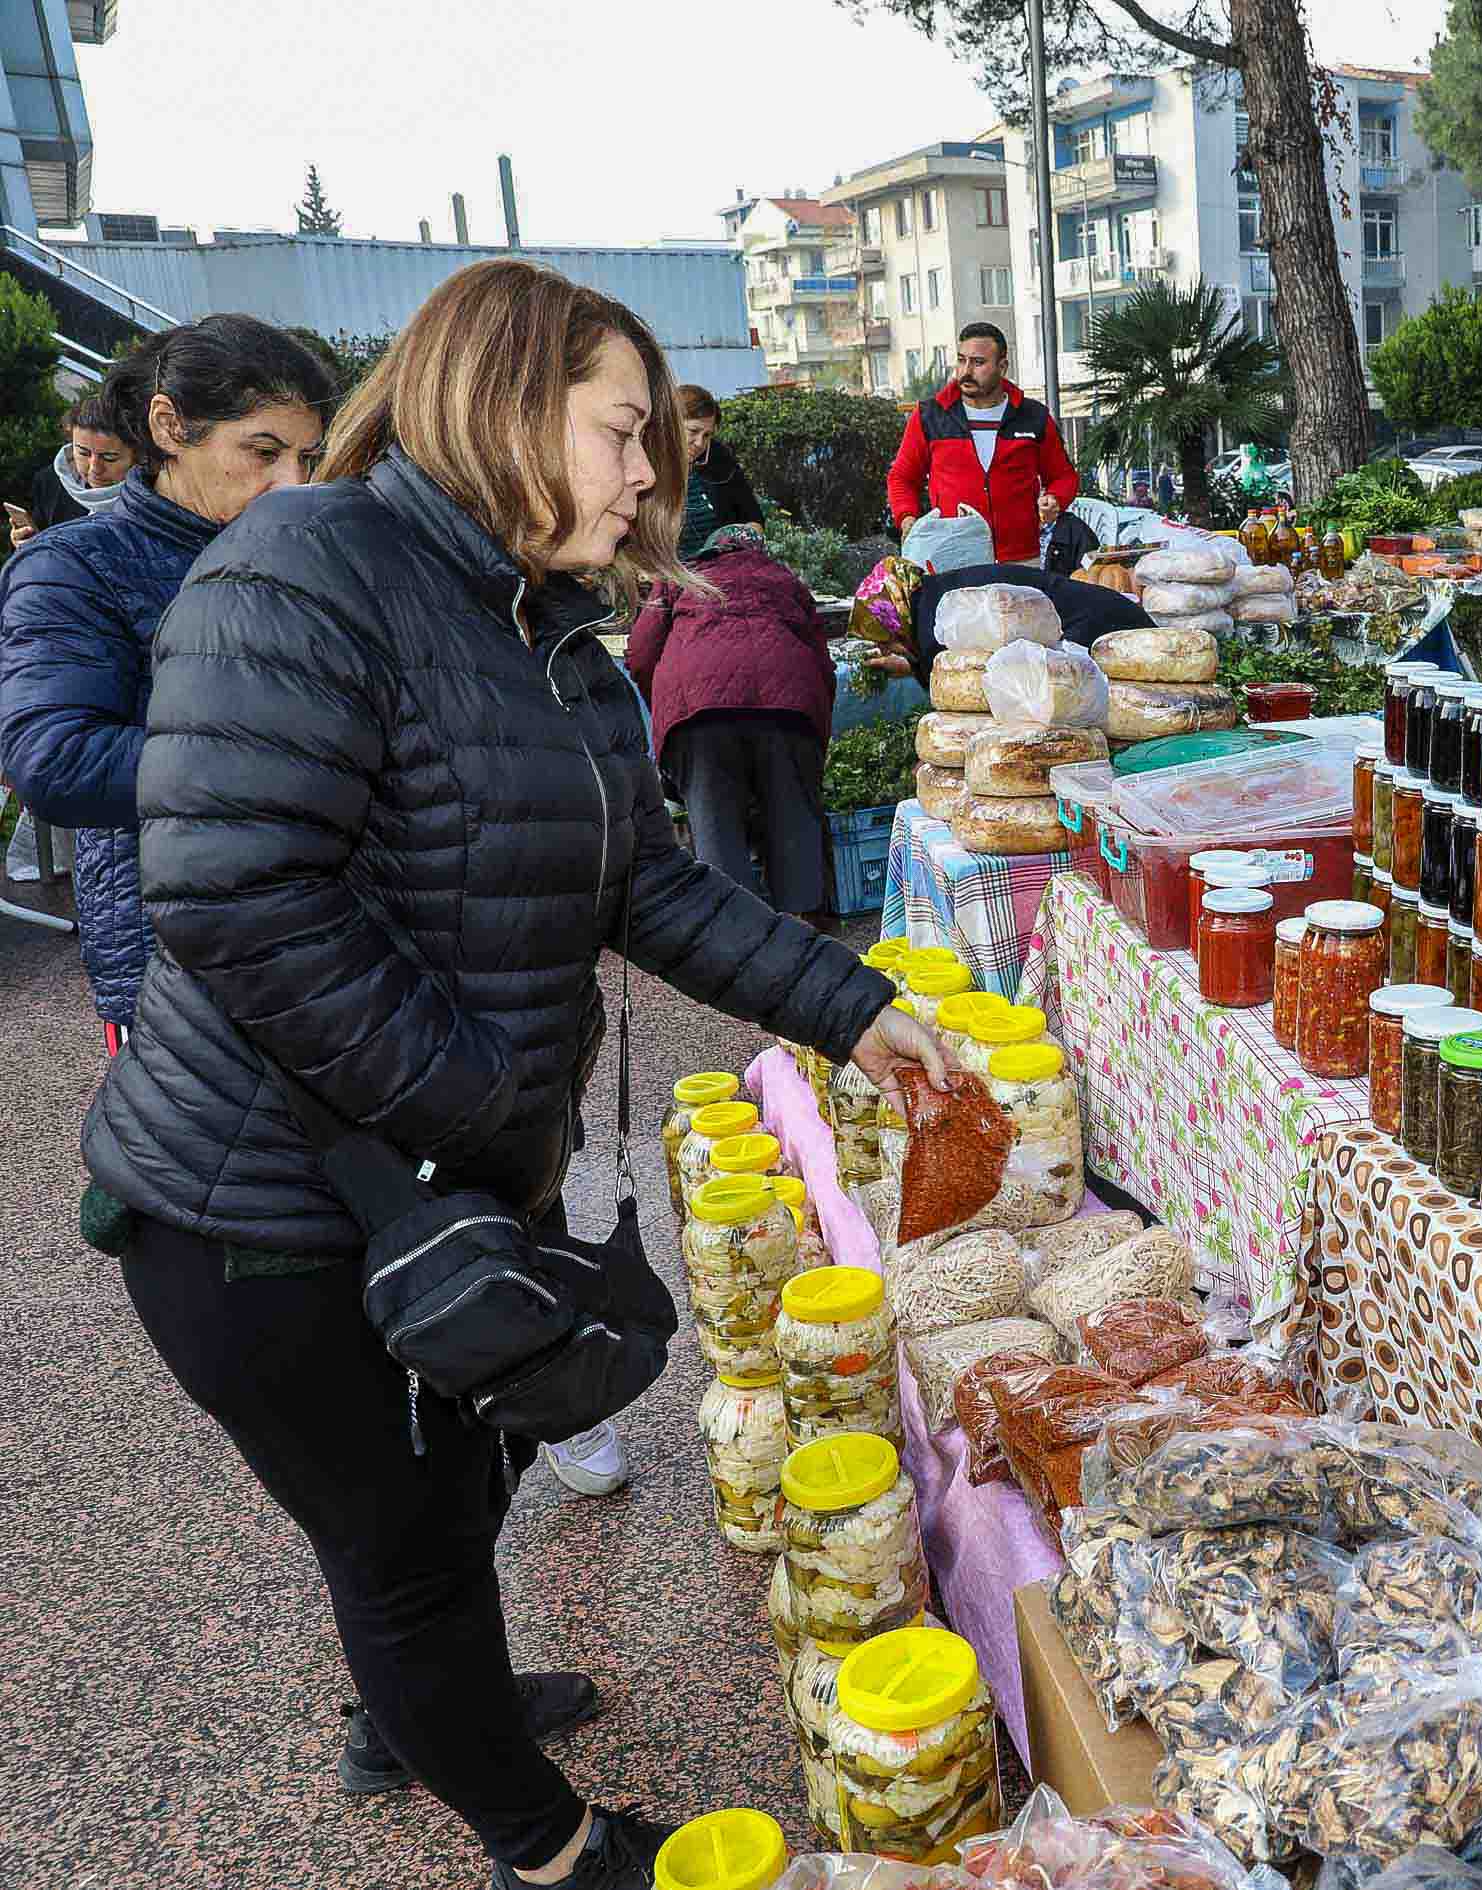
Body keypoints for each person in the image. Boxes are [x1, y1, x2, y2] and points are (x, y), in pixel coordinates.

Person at [82, 258, 951, 1890]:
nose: (645, 476)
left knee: (455, 1497)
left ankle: (424, 1707)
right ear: (501, 400)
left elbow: (645, 884)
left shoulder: (545, 632)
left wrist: (851, 1003)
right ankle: (539, 1841)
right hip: (263, 1211)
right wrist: (483, 1096)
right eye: (624, 432)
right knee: (403, 1547)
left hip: (437, 1182)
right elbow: (230, 891)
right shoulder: (307, 563)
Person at [0, 317, 334, 1041]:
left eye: (308, 457)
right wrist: (282, 759)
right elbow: (54, 762)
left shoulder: (310, 554)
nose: (292, 482)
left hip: (330, 945)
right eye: (264, 451)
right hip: (175, 962)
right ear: (169, 424)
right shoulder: (72, 566)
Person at [627, 521, 835, 921]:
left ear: (711, 548)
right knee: (793, 814)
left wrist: (673, 706)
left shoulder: (680, 577)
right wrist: (813, 739)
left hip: (701, 716)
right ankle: (804, 928)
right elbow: (822, 666)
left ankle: (738, 933)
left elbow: (639, 653)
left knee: (715, 823)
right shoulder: (785, 579)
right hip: (787, 707)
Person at [884, 321, 1079, 562]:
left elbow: (1064, 476)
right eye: (961, 360)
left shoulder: (1033, 416)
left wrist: (1055, 499)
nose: (966, 371)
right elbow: (902, 477)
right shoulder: (929, 415)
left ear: (1002, 366)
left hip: (1020, 559)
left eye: (978, 363)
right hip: (951, 558)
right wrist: (907, 518)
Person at [10, 393, 138, 548]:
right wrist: (22, 544)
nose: (94, 469)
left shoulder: (150, 499)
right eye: (83, 453)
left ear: (137, 454)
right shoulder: (50, 481)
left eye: (109, 457)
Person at [673, 385, 763, 560]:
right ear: (670, 425)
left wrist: (743, 540)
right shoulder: (646, 465)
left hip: (723, 566)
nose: (700, 443)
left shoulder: (719, 458)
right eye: (693, 431)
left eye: (707, 435)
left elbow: (753, 519)